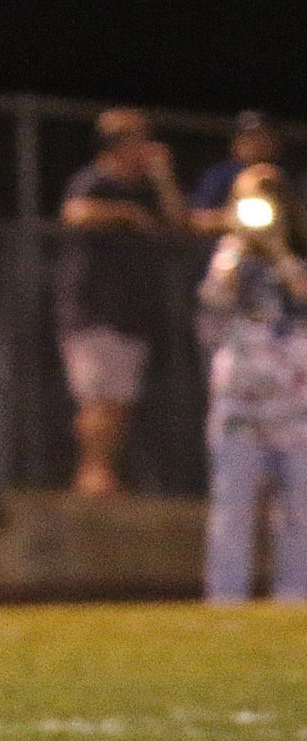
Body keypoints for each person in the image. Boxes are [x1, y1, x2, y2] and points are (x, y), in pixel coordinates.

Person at [55, 108, 189, 496]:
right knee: (97, 397)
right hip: (92, 308)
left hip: (135, 311)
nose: (146, 148)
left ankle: (101, 472)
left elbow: (179, 223)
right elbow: (75, 213)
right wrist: (125, 214)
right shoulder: (94, 179)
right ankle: (92, 473)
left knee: (120, 401)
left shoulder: (147, 189)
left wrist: (164, 178)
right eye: (137, 140)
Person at [198, 163, 307, 601]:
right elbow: (212, 302)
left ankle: (296, 596)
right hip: (240, 403)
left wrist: (279, 252)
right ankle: (226, 599)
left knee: (299, 509)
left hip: (296, 401)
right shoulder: (229, 256)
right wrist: (239, 251)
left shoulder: (296, 257)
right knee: (232, 506)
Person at [191, 111, 283, 237]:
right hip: (228, 241)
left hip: (278, 244)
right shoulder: (219, 175)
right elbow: (197, 219)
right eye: (251, 137)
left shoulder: (285, 175)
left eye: (266, 136)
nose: (259, 143)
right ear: (236, 142)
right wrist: (231, 218)